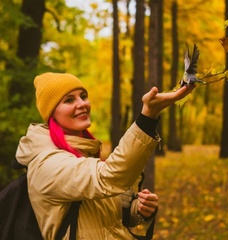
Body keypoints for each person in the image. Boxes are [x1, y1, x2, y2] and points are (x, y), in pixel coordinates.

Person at [15, 72, 195, 239]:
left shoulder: (83, 153)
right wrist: (148, 116)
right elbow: (109, 177)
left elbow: (101, 216)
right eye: (69, 100)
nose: (82, 104)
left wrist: (137, 210)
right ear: (51, 114)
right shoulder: (48, 164)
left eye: (83, 96)